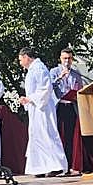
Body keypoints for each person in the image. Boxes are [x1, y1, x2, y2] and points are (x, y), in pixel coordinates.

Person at [17, 48, 68, 176]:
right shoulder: (33, 69)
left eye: (20, 59)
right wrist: (27, 100)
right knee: (37, 136)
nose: (20, 63)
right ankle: (40, 167)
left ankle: (57, 165)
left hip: (43, 108)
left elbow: (46, 89)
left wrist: (30, 98)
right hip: (36, 108)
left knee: (47, 134)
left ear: (27, 57)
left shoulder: (39, 68)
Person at [50, 47, 85, 171]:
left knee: (70, 137)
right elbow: (48, 87)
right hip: (58, 106)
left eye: (69, 58)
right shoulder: (54, 71)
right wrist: (60, 77)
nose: (67, 61)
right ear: (60, 58)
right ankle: (57, 166)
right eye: (65, 58)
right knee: (58, 136)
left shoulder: (76, 74)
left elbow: (81, 89)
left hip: (71, 106)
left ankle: (69, 165)